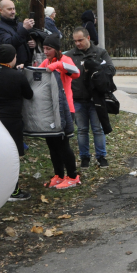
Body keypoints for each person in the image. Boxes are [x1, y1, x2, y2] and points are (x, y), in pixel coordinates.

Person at [0, 44, 34, 201]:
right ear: (13, 58)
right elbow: (29, 94)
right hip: (11, 119)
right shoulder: (17, 76)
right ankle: (14, 190)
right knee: (13, 155)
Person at [66, 26, 116, 168]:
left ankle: (101, 157)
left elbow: (112, 70)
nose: (77, 43)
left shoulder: (100, 53)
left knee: (98, 129)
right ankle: (84, 158)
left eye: (80, 40)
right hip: (78, 99)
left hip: (96, 99)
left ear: (88, 38)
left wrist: (96, 68)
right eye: (75, 41)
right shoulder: (70, 55)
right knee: (82, 130)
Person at [39, 34, 81, 189]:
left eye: (48, 49)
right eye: (44, 48)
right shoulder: (45, 62)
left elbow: (76, 73)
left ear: (57, 49)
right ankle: (59, 175)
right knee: (52, 144)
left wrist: (57, 66)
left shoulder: (66, 60)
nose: (45, 51)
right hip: (49, 110)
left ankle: (73, 176)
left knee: (63, 145)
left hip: (65, 109)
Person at [0, 0, 35, 67]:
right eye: (9, 9)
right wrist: (24, 29)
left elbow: (24, 42)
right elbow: (9, 44)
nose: (13, 12)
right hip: (12, 68)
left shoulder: (19, 25)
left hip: (26, 66)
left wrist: (33, 44)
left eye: (14, 9)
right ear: (1, 10)